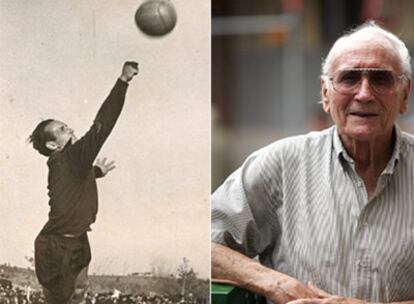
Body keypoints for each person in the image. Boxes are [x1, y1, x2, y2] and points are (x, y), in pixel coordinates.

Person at [211, 21, 414, 304]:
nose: (365, 93)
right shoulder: (281, 163)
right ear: (325, 94)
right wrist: (273, 282)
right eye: (348, 78)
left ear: (404, 95)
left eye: (381, 79)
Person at [29, 61, 139, 304]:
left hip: (77, 237)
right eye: (63, 129)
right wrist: (122, 82)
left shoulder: (69, 164)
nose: (70, 128)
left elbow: (71, 186)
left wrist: (95, 172)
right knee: (61, 299)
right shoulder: (68, 158)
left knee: (80, 291)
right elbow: (102, 125)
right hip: (57, 245)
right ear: (52, 145)